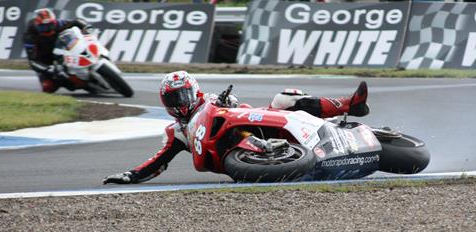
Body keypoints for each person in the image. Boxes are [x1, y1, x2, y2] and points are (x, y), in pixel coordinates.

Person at [103, 70, 369, 184]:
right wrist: (130, 175)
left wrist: (228, 100)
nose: (181, 103)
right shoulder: (176, 132)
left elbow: (240, 104)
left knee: (284, 98)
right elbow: (159, 161)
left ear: (193, 91)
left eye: (183, 95)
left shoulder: (209, 100)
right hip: (232, 156)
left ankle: (349, 104)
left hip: (259, 122)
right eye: (174, 99)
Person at [23, 8, 92, 93]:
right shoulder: (30, 35)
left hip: (63, 52)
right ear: (37, 25)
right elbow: (32, 61)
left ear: (53, 22)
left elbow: (76, 21)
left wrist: (86, 26)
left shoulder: (59, 24)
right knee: (48, 87)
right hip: (44, 59)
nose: (47, 28)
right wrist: (47, 69)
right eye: (43, 26)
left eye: (49, 25)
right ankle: (78, 85)